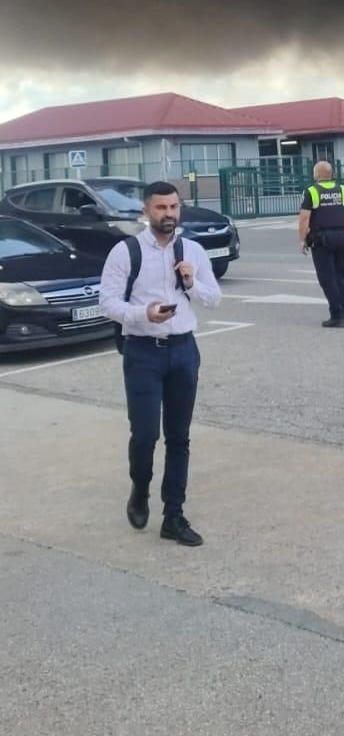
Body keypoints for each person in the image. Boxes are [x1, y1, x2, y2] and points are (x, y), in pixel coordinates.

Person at [99, 180, 221, 546]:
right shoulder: (126, 251)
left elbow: (213, 299)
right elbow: (107, 302)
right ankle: (140, 487)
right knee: (146, 433)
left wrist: (192, 281)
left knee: (179, 437)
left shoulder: (193, 250)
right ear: (146, 211)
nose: (169, 214)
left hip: (184, 350)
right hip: (143, 353)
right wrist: (142, 314)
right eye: (160, 208)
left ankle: (174, 514)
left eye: (173, 207)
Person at [299, 161, 344, 328]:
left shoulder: (312, 192)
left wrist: (302, 239)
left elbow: (304, 218)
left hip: (322, 239)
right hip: (341, 237)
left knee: (327, 278)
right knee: (339, 276)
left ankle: (336, 315)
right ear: (331, 174)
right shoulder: (342, 190)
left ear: (317, 175)